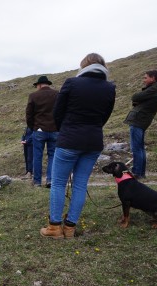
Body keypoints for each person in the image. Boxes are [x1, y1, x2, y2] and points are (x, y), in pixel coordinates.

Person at [40, 53, 115, 239]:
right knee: (80, 184)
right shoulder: (109, 87)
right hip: (94, 141)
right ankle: (70, 227)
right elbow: (105, 115)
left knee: (58, 183)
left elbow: (58, 112)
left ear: (84, 66)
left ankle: (54, 227)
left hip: (69, 139)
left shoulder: (71, 83)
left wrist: (64, 129)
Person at [124, 70, 157, 179]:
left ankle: (137, 172)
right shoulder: (156, 89)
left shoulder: (153, 90)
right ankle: (140, 173)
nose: (144, 80)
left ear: (153, 78)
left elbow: (135, 97)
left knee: (136, 148)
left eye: (146, 77)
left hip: (138, 120)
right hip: (142, 120)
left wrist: (138, 101)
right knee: (140, 148)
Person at [26, 75, 59, 188]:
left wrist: (33, 127)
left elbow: (29, 115)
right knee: (52, 156)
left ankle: (37, 182)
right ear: (47, 84)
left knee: (37, 156)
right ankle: (50, 180)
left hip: (39, 130)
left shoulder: (33, 96)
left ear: (39, 85)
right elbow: (61, 111)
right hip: (54, 130)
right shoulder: (57, 94)